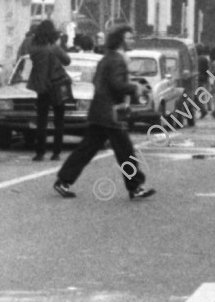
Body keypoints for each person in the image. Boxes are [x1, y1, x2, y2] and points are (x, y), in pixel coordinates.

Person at [52, 23, 154, 201]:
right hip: (110, 114)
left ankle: (63, 180)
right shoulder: (117, 60)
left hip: (100, 111)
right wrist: (135, 88)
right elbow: (117, 85)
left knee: (87, 149)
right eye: (129, 38)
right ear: (120, 41)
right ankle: (135, 186)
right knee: (125, 151)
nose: (132, 41)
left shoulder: (107, 58)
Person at [28, 19, 73, 161]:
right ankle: (56, 152)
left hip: (42, 87)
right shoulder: (54, 47)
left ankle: (40, 152)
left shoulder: (34, 48)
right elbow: (67, 60)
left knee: (41, 120)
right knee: (59, 120)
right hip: (56, 86)